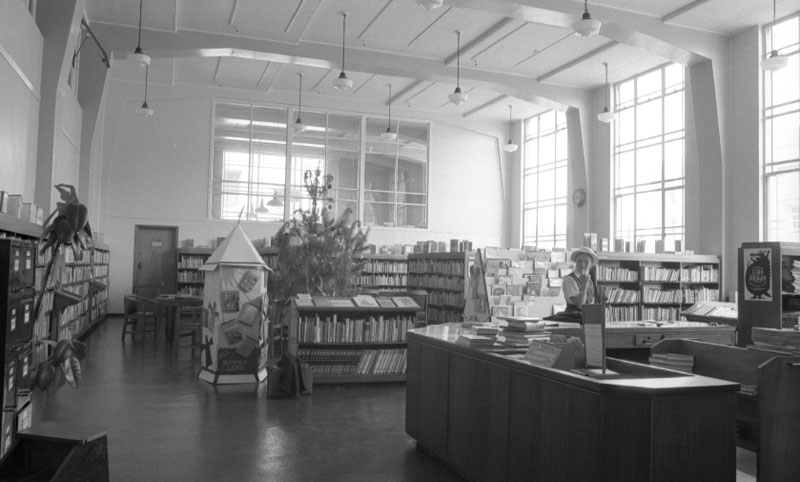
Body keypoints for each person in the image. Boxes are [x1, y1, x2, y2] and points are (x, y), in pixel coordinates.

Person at [544, 247, 598, 324]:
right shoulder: (570, 280)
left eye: (586, 262)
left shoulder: (589, 279)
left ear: (591, 264)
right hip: (574, 319)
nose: (582, 265)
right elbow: (579, 305)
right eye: (579, 261)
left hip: (587, 317)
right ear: (575, 262)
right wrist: (584, 285)